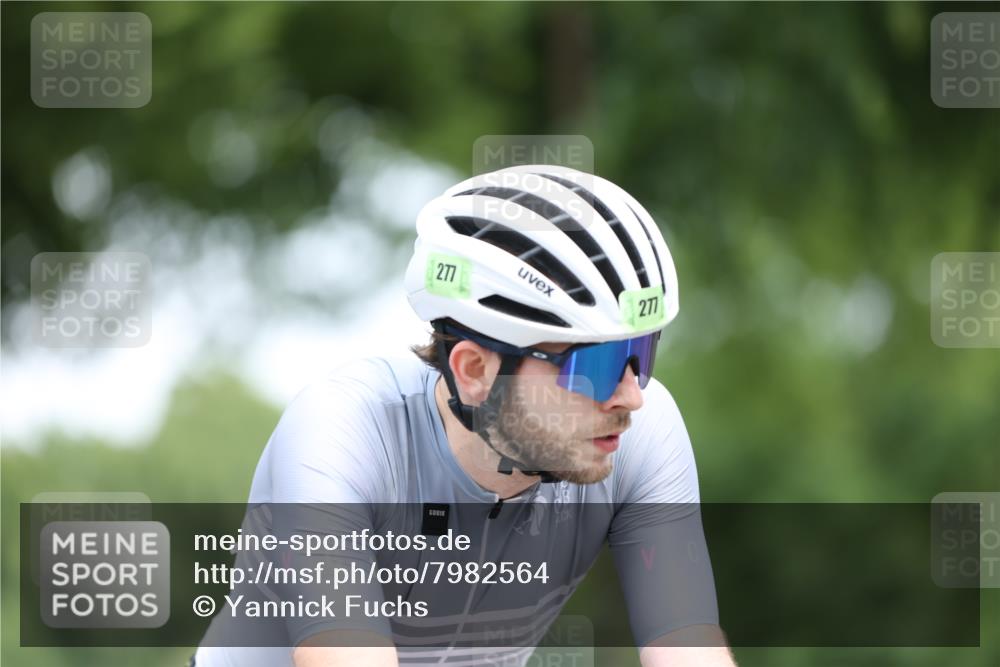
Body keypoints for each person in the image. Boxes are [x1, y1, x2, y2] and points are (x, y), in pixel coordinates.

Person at [192, 164, 737, 667]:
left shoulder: (641, 433)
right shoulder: (339, 432)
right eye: (594, 364)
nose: (631, 396)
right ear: (475, 369)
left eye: (641, 355)